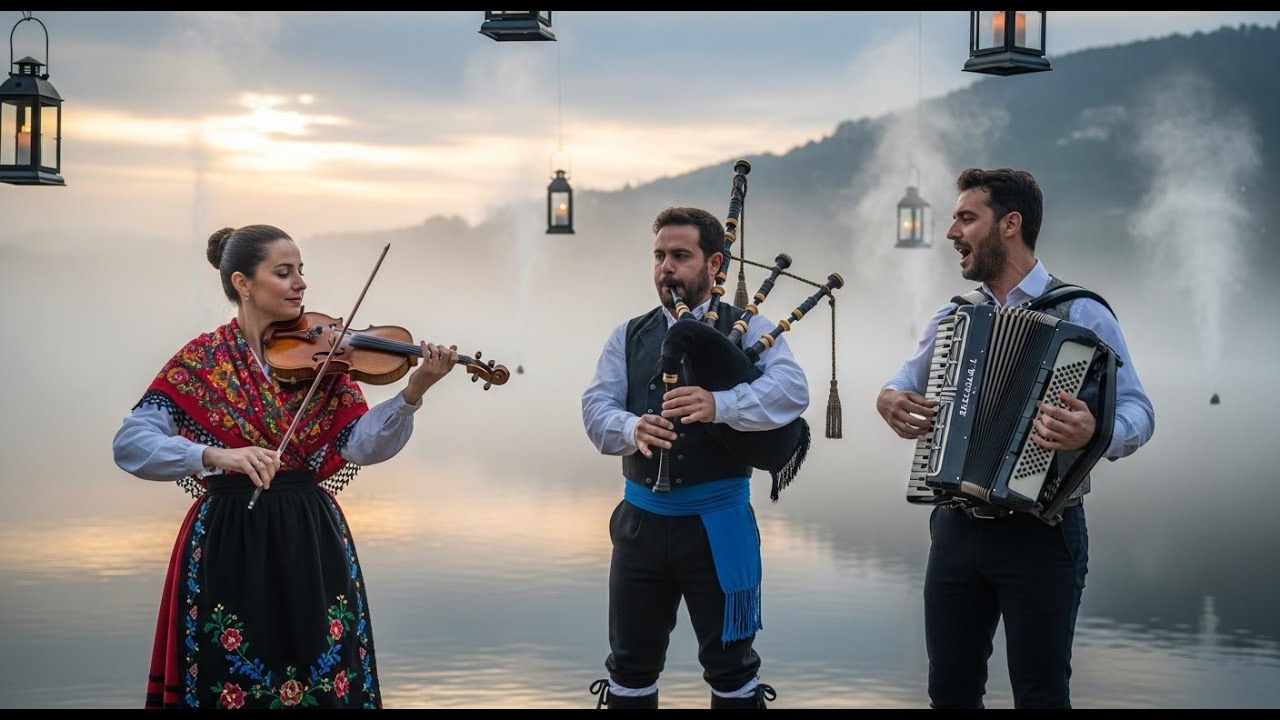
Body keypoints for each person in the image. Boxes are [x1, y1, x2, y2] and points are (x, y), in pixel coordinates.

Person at [113, 225, 460, 709]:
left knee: (323, 679)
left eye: (301, 271)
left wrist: (413, 392)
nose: (300, 283)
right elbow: (130, 444)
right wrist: (213, 455)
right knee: (228, 680)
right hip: (227, 538)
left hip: (310, 538)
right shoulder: (201, 360)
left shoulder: (324, 360)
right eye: (283, 272)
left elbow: (359, 444)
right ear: (243, 283)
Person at [876, 168, 1156, 709]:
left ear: (1010, 224)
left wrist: (1097, 432)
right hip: (955, 529)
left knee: (1041, 693)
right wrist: (887, 398)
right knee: (950, 693)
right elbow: (902, 382)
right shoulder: (957, 317)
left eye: (965, 218)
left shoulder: (1080, 311)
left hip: (1043, 534)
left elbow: (1138, 409)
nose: (952, 233)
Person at [581, 206, 810, 709]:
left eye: (680, 256)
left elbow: (793, 392)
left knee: (732, 671)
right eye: (659, 255)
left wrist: (719, 404)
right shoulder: (629, 334)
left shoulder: (748, 328)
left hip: (718, 527)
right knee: (629, 666)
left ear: (714, 264)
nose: (667, 267)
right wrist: (632, 426)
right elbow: (596, 408)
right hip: (640, 526)